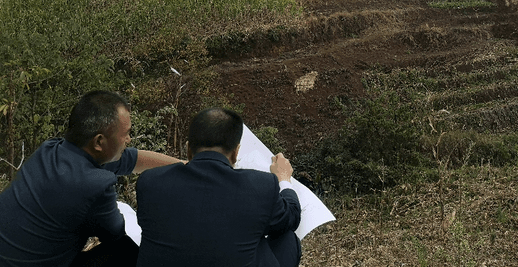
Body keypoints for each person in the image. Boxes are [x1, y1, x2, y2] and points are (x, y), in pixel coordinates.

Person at [0, 90, 183, 267]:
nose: (129, 139)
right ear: (98, 142)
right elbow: (115, 236)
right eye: (125, 133)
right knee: (125, 252)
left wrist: (186, 165)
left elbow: (131, 159)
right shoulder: (94, 185)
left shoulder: (50, 150)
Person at [135, 107, 302, 267]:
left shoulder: (150, 181)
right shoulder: (261, 185)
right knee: (287, 237)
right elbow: (292, 217)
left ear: (188, 150)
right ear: (236, 153)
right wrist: (283, 178)